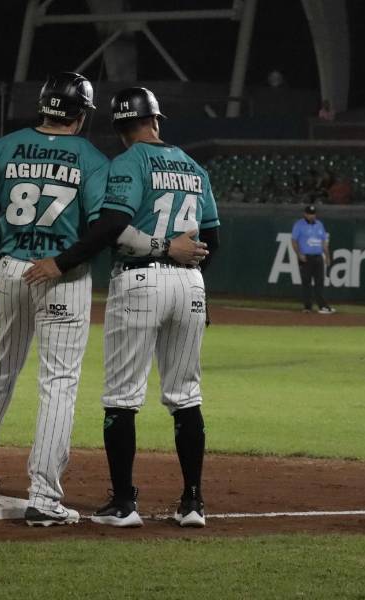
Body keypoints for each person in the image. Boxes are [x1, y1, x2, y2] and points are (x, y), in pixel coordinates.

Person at [0, 72, 207, 528]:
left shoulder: (3, 147)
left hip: (12, 269)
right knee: (60, 382)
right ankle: (44, 494)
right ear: (83, 115)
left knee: (0, 367)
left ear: (44, 106)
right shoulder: (92, 159)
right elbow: (104, 229)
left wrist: (7, 258)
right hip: (65, 275)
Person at [24, 86, 220, 529]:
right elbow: (214, 240)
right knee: (186, 396)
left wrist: (63, 261)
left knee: (121, 398)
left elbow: (112, 225)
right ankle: (193, 502)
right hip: (192, 284)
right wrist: (197, 284)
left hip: (140, 279)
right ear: (156, 119)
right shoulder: (193, 167)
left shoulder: (129, 162)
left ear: (117, 128)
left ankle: (124, 503)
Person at [291, 205, 334, 314]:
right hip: (305, 257)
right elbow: (294, 241)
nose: (312, 216)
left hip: (318, 257)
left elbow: (324, 242)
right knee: (306, 283)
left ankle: (322, 306)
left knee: (320, 282)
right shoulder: (299, 225)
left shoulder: (320, 224)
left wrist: (327, 256)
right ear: (305, 214)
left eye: (313, 213)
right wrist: (299, 254)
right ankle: (307, 307)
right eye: (310, 214)